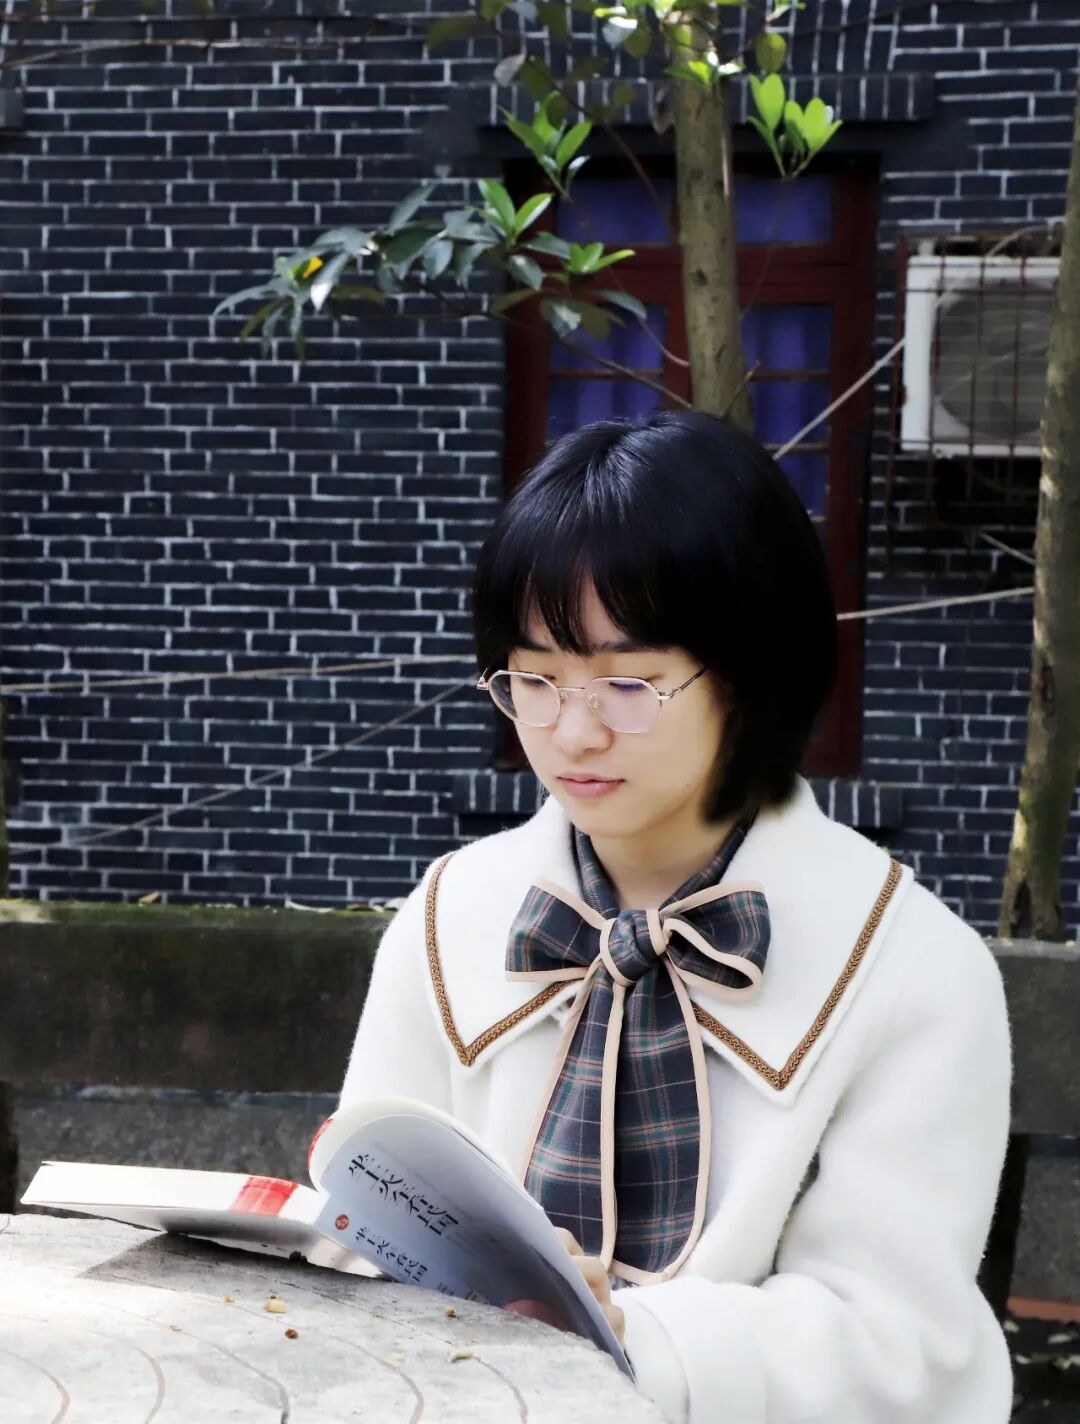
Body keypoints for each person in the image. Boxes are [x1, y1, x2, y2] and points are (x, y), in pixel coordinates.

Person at [339, 409, 1013, 1423]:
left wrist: (629, 1340)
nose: (573, 732)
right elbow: (368, 1227)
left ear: (747, 674)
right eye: (536, 679)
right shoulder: (450, 915)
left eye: (627, 683)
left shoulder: (917, 971)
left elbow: (893, 1340)